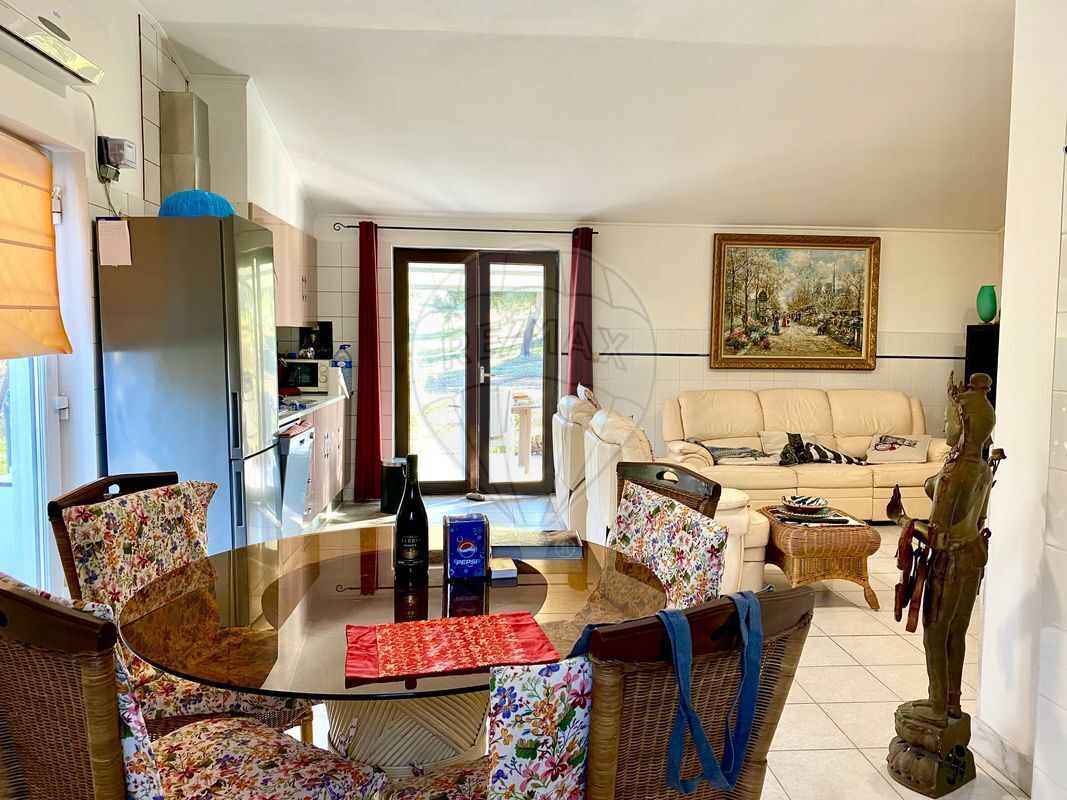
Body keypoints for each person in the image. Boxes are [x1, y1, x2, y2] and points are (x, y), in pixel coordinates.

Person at [886, 373, 999, 726]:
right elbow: (979, 518)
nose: (945, 426)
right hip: (973, 555)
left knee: (936, 634)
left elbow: (937, 536)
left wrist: (901, 518)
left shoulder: (954, 475)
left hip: (949, 563)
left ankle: (936, 706)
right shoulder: (983, 467)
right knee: (957, 632)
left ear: (965, 424)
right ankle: (952, 702)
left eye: (950, 420)